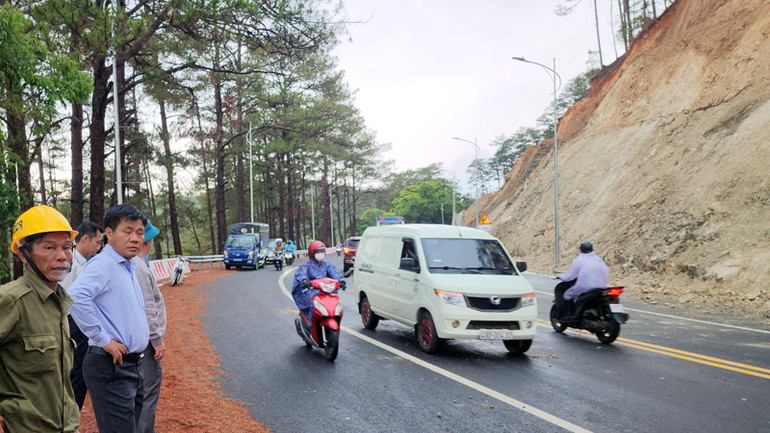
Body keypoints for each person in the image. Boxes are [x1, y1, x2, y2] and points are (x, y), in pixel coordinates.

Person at [68, 204, 150, 433]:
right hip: (111, 365)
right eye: (127, 230)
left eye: (139, 232)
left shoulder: (128, 265)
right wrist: (102, 338)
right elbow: (75, 296)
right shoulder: (104, 264)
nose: (135, 238)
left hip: (132, 365)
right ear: (110, 233)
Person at [0, 205, 80, 432]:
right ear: (24, 254)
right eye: (49, 247)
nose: (62, 256)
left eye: (67, 247)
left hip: (64, 426)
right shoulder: (11, 300)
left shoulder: (59, 301)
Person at [60, 220, 104, 410]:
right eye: (98, 242)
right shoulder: (69, 263)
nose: (99, 247)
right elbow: (67, 298)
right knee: (75, 373)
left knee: (79, 373)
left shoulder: (84, 264)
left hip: (78, 324)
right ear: (85, 238)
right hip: (71, 324)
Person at [132, 220, 167, 433]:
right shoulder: (139, 267)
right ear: (148, 241)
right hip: (146, 341)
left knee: (139, 391)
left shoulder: (135, 264)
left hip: (140, 339)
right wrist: (157, 340)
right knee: (148, 391)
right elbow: (148, 307)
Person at [555, 241, 610, 320]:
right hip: (601, 288)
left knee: (567, 295)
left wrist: (560, 276)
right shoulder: (599, 260)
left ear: (580, 250)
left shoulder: (579, 260)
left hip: (585, 288)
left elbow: (570, 276)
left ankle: (568, 316)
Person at [292, 241, 343, 323]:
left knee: (335, 303)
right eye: (318, 252)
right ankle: (310, 322)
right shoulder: (306, 266)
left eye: (322, 252)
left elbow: (335, 275)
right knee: (313, 304)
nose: (320, 254)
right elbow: (301, 275)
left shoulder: (327, 265)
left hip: (327, 291)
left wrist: (341, 281)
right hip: (313, 291)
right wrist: (305, 281)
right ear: (312, 253)